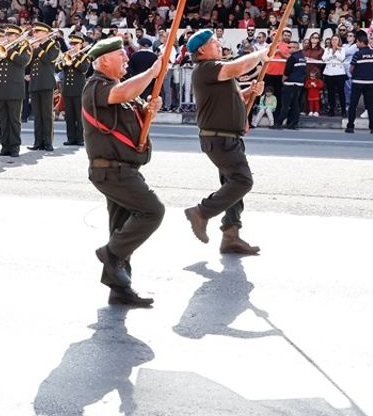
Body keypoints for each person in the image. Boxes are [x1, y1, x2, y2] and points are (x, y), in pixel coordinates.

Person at [81, 36, 164, 308]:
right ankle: (110, 253)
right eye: (121, 56)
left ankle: (119, 289)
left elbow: (132, 103)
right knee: (153, 211)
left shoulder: (119, 88)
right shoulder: (96, 86)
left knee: (120, 227)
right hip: (111, 171)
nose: (127, 59)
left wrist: (150, 109)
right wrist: (151, 73)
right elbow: (123, 94)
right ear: (104, 60)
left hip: (124, 168)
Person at [181, 28, 268, 256]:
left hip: (227, 137)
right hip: (219, 138)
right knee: (242, 181)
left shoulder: (216, 71)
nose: (219, 44)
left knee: (232, 187)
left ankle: (231, 236)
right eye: (214, 42)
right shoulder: (206, 69)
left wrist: (250, 91)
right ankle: (200, 212)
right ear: (201, 49)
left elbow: (234, 97)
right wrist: (260, 54)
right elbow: (238, 67)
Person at [0, 25, 31, 158]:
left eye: (10, 35)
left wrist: (9, 52)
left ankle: (14, 147)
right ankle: (4, 146)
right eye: (7, 35)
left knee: (14, 120)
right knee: (3, 119)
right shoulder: (1, 47)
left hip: (15, 89)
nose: (7, 38)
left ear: (17, 36)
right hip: (1, 88)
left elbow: (23, 61)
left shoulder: (24, 47)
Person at [27, 24, 61, 151]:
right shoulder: (35, 45)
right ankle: (37, 142)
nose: (35, 34)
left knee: (46, 114)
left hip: (46, 82)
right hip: (35, 82)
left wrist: (38, 48)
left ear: (46, 33)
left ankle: (48, 142)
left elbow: (48, 60)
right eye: (34, 32)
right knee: (37, 114)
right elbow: (29, 62)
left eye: (38, 32)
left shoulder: (53, 44)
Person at [345, 30, 373, 134]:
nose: (356, 44)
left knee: (353, 104)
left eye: (357, 42)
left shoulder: (357, 54)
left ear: (361, 42)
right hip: (371, 82)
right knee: (370, 105)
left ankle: (350, 126)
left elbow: (351, 69)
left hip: (358, 82)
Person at [60, 34, 91, 146]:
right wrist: (64, 61)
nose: (73, 46)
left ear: (80, 45)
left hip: (78, 89)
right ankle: (71, 138)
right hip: (67, 89)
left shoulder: (84, 57)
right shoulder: (66, 55)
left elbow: (84, 69)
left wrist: (73, 60)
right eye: (71, 44)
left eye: (75, 44)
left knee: (79, 115)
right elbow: (57, 68)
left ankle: (80, 138)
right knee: (69, 115)